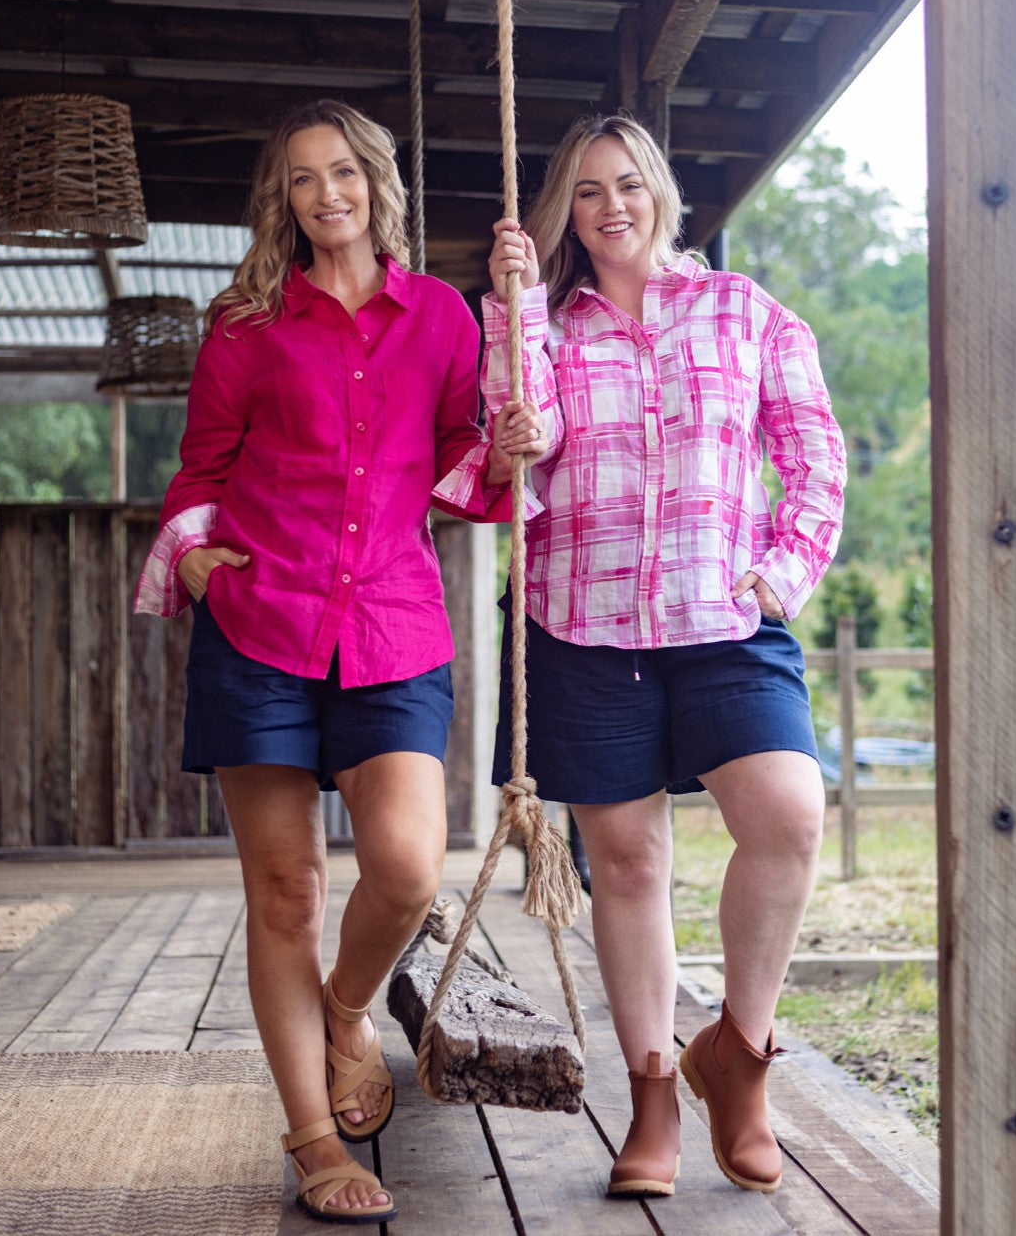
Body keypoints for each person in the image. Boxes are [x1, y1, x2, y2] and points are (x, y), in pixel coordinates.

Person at [133, 98, 542, 1225]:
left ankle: (348, 1009)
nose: (329, 195)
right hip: (261, 630)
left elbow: (470, 459)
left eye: (345, 173)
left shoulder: (447, 318)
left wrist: (504, 442)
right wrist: (202, 558)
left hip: (395, 630)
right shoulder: (244, 324)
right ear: (285, 200)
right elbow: (199, 469)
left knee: (408, 868)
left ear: (377, 181)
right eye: (304, 179)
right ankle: (315, 1139)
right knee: (287, 892)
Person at [463, 113, 846, 1198]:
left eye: (629, 185)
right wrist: (513, 327)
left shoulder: (744, 311)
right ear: (567, 215)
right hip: (581, 622)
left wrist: (780, 573)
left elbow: (814, 455)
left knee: (788, 815)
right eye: (588, 192)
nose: (612, 206)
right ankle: (653, 1098)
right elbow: (513, 470)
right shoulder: (544, 324)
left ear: (663, 195)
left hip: (724, 618)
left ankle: (739, 1052)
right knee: (626, 864)